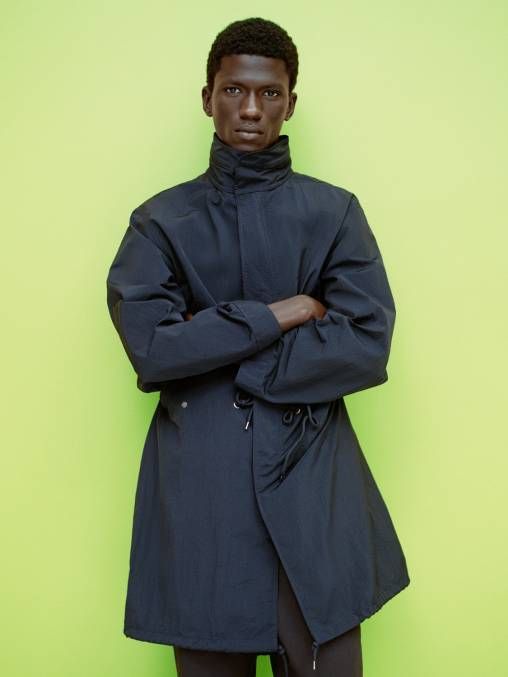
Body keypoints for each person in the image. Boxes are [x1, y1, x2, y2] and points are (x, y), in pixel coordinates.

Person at [106, 16, 410, 677]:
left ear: (290, 102)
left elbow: (366, 342)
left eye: (269, 93)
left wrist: (214, 345)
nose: (251, 109)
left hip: (312, 484)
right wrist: (284, 312)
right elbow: (153, 349)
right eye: (235, 90)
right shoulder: (160, 221)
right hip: (202, 491)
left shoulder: (334, 213)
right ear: (208, 98)